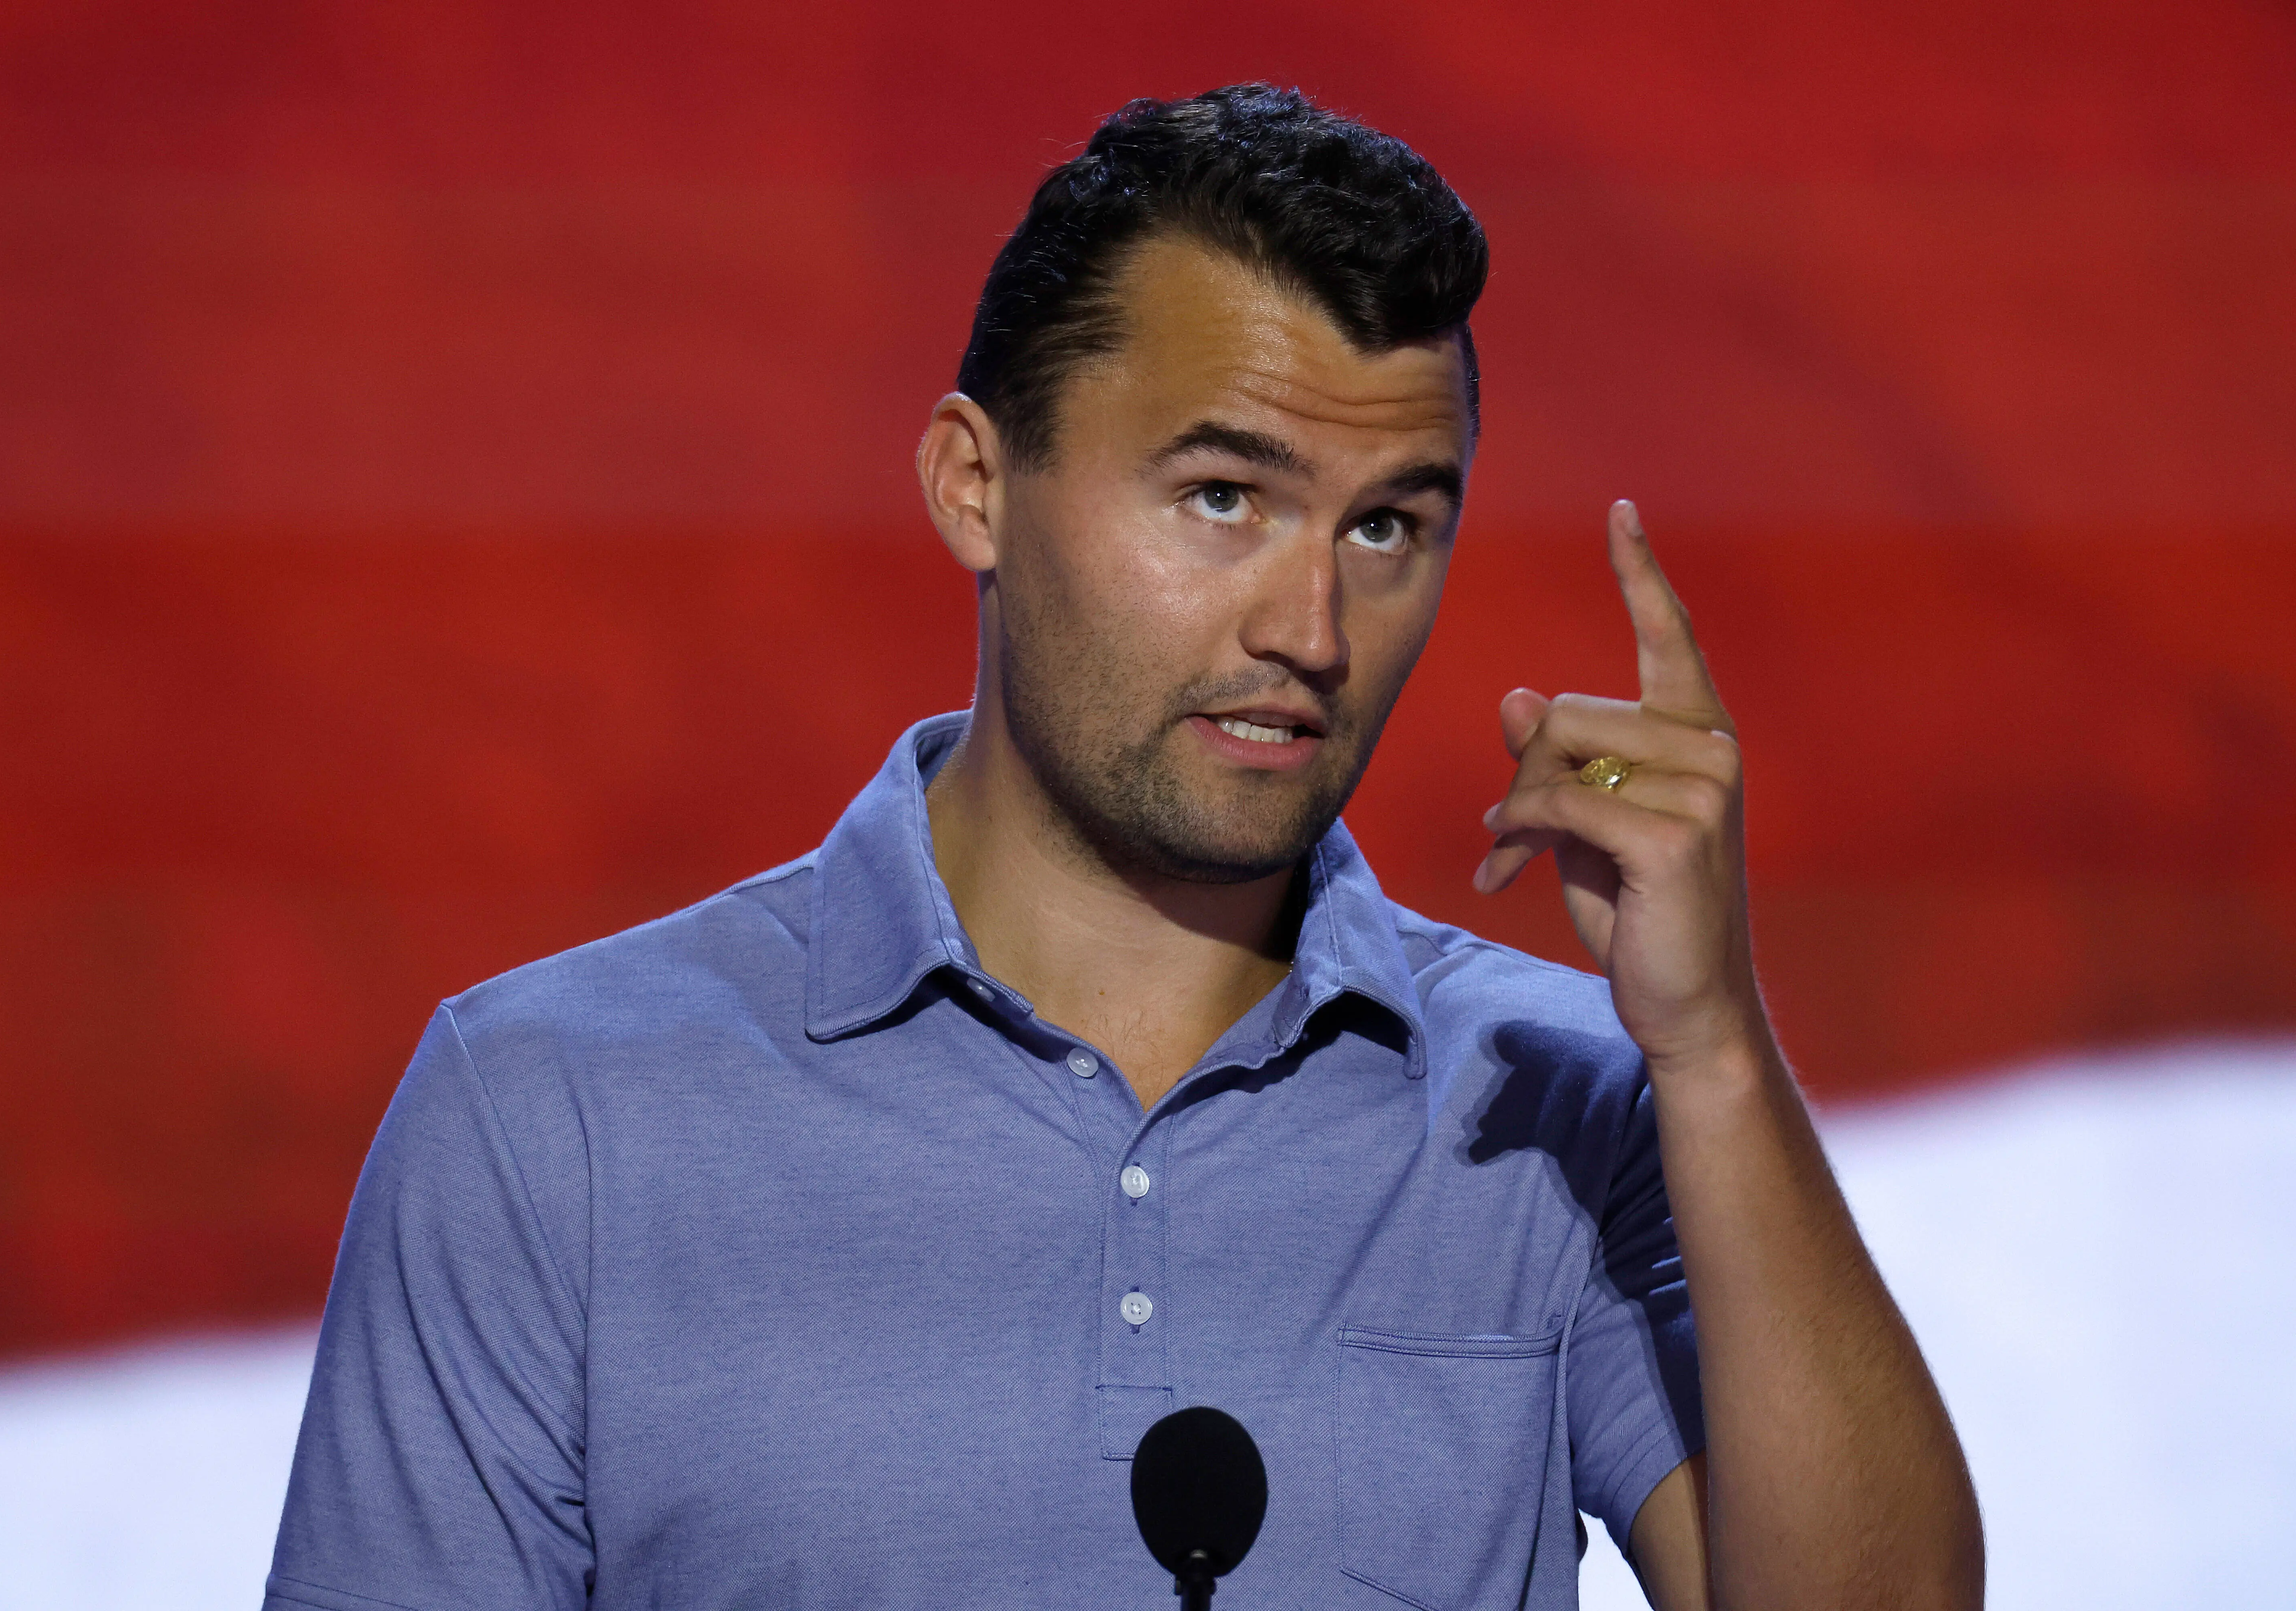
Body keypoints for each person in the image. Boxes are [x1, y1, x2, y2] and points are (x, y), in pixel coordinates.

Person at [266, 84, 1981, 1611]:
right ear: (974, 486)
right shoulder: (550, 1109)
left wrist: (1714, 1051)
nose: (1312, 625)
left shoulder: (1567, 1105)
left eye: (1387, 525)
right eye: (1224, 495)